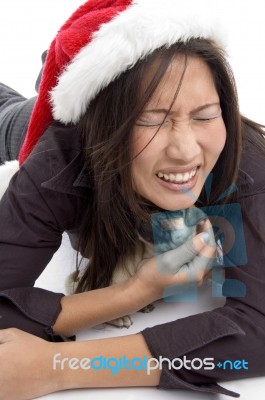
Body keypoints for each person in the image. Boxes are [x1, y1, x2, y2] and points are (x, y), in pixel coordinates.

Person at [0, 0, 265, 398]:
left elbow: (258, 334)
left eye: (205, 114)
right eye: (150, 119)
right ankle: (49, 74)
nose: (186, 151)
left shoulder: (242, 157)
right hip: (42, 126)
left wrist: (64, 367)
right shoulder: (59, 160)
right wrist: (134, 292)